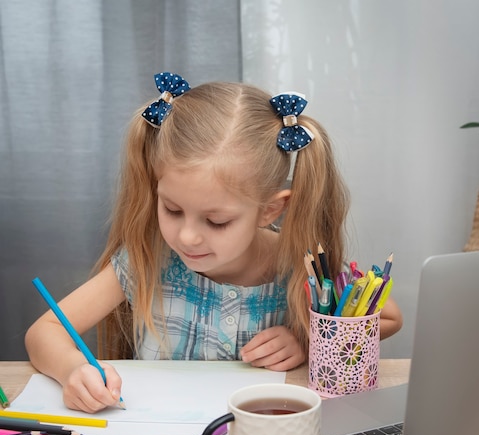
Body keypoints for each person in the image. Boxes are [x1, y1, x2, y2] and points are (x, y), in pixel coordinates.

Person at [25, 73, 403, 413]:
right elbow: (45, 331)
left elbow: (387, 316)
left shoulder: (297, 265)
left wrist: (308, 341)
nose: (187, 236)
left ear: (270, 210)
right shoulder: (145, 260)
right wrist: (72, 369)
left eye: (216, 220)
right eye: (172, 209)